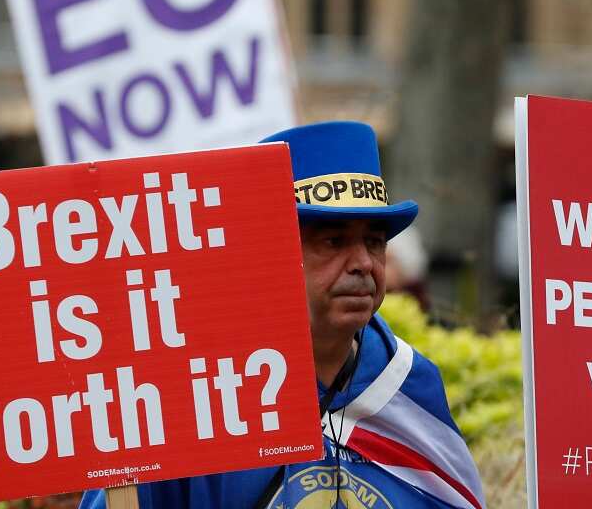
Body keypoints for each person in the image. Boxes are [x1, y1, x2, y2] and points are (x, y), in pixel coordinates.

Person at [79, 121, 485, 509]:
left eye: (374, 242)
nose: (363, 262)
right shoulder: (191, 396)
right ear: (270, 253)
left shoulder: (411, 383)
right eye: (333, 241)